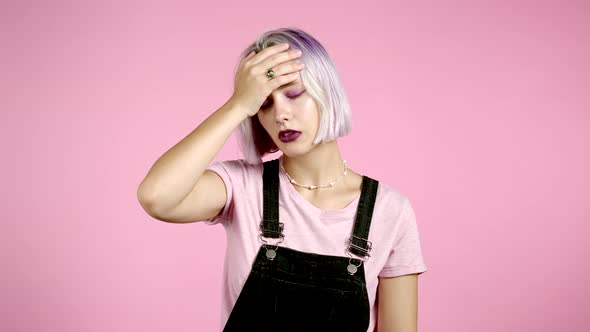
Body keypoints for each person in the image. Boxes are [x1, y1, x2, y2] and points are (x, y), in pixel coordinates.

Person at [137, 27, 427, 332]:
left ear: (327, 91)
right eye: (263, 104)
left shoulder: (389, 211)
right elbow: (157, 197)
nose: (280, 115)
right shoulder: (241, 187)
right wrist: (238, 104)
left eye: (294, 93)